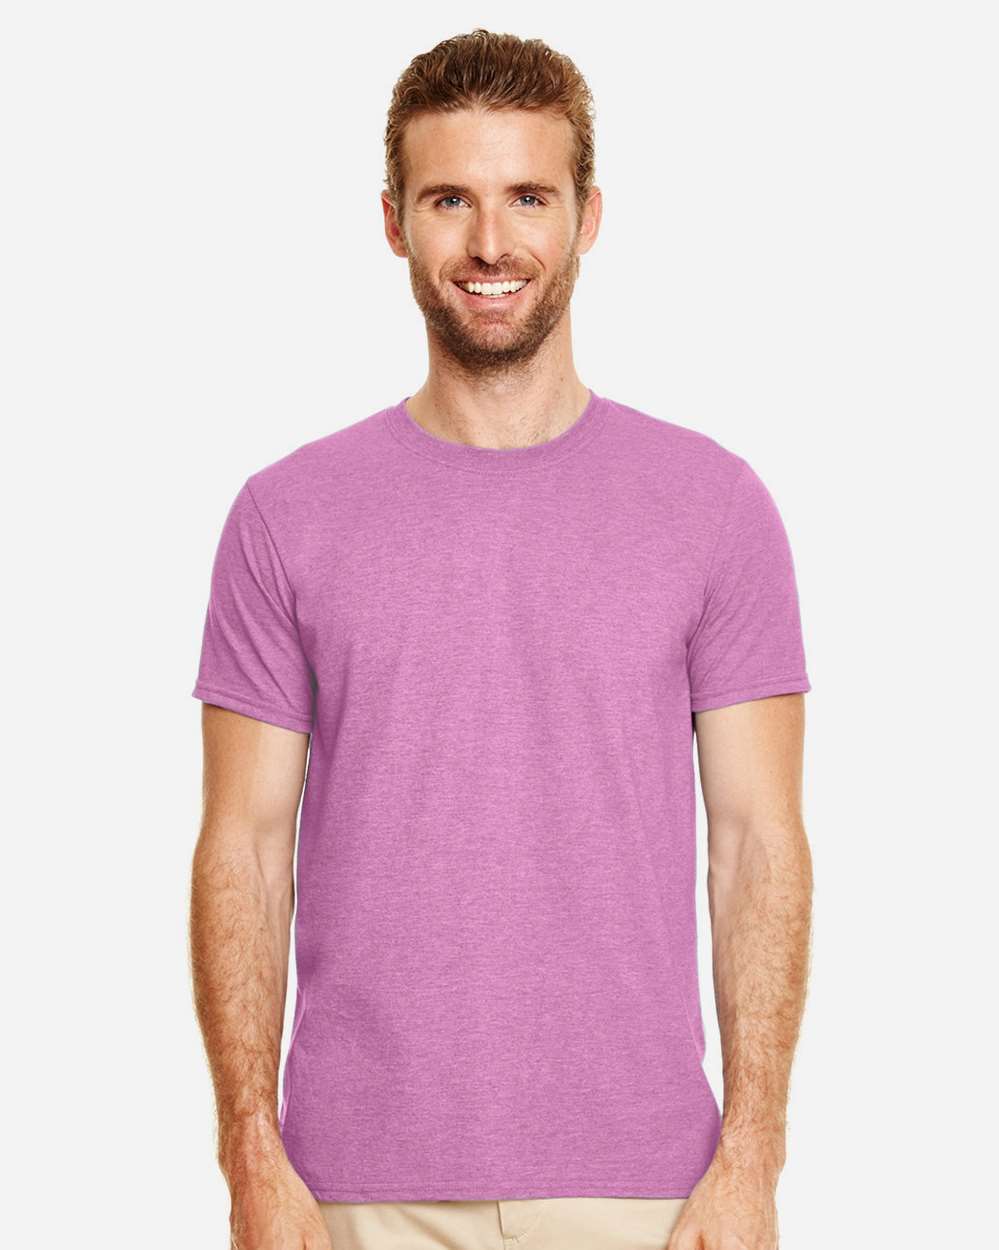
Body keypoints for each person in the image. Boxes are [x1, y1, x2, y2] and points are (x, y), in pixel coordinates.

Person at [189, 27, 814, 1250]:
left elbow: (758, 845)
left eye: (528, 196)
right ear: (393, 222)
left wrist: (753, 1158)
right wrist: (249, 1154)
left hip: (645, 1187)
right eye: (449, 200)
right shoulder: (285, 515)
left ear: (588, 218)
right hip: (352, 1187)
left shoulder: (714, 507)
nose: (489, 243)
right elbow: (243, 848)